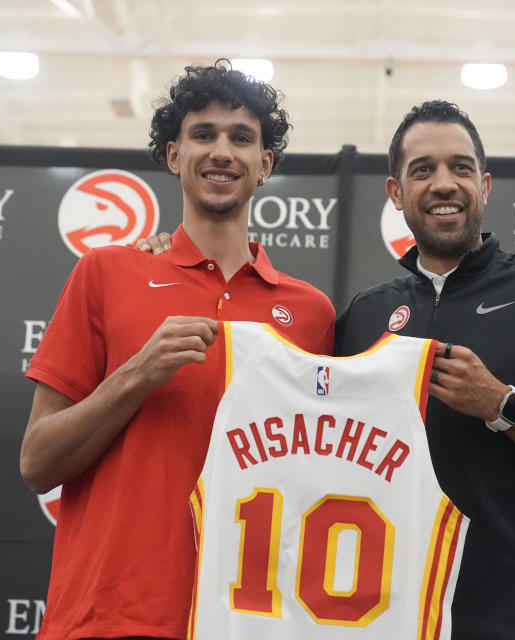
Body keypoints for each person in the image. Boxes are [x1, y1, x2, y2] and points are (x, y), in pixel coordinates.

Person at [136, 100, 515, 639]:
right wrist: (168, 249)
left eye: (460, 168)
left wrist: (508, 409)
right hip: (389, 621)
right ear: (395, 193)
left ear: (485, 185)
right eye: (422, 170)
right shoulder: (364, 316)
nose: (443, 183)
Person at [20, 60, 334, 640]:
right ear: (173, 156)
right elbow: (38, 463)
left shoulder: (312, 313)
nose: (222, 151)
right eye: (203, 134)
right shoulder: (106, 273)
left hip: (250, 621)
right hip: (110, 619)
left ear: (265, 165)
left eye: (242, 138)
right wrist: (136, 374)